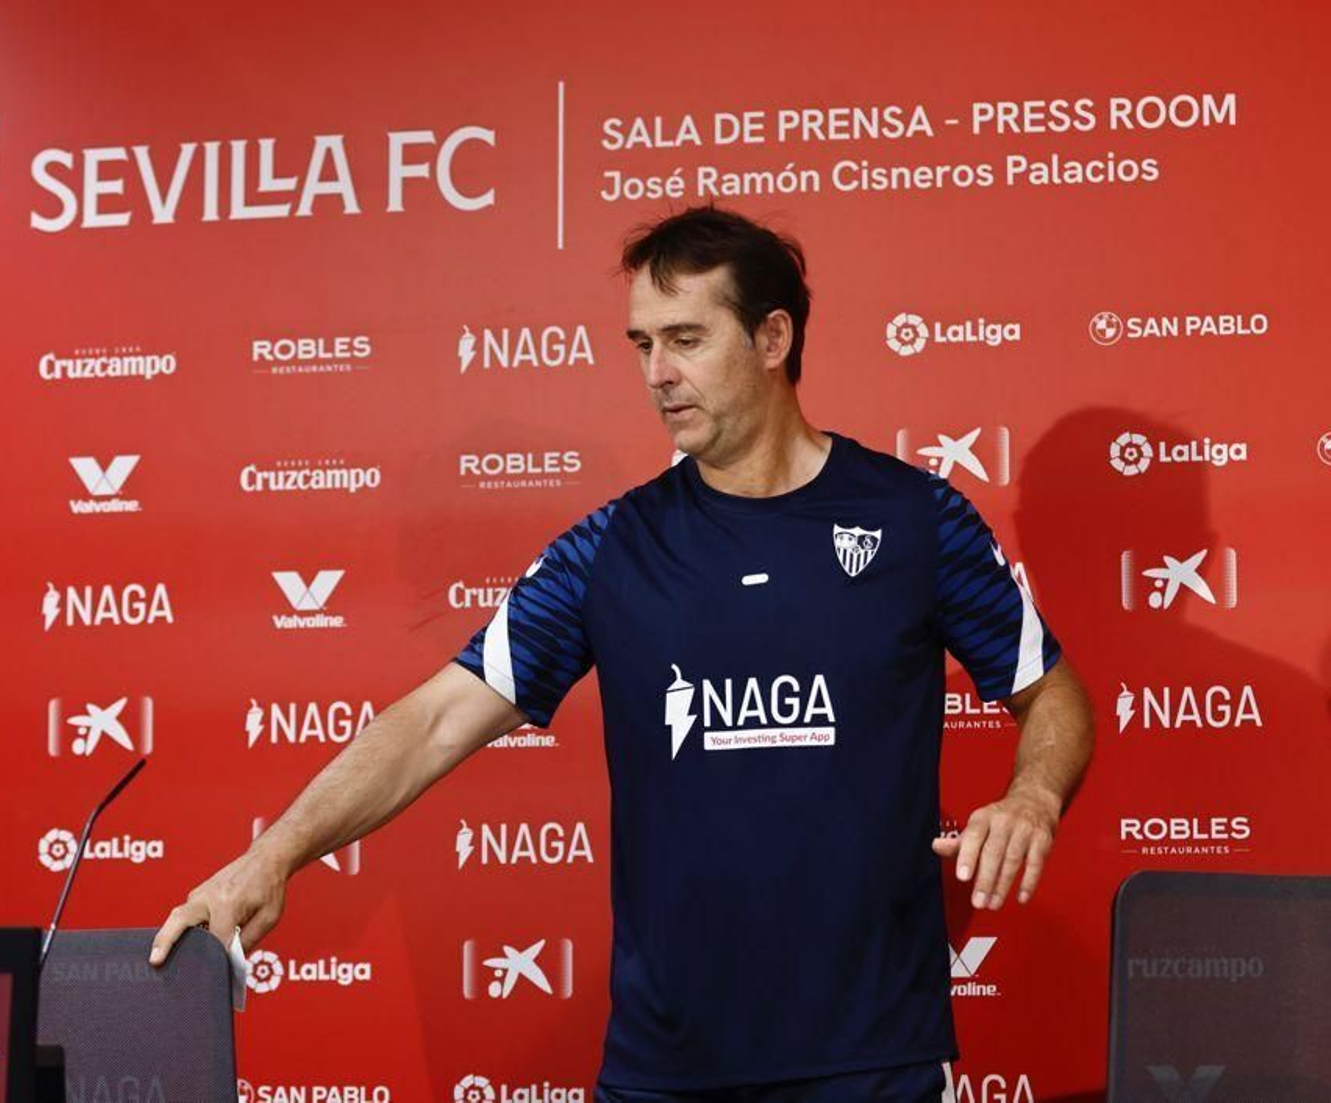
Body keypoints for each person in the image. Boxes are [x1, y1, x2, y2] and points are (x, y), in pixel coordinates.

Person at [150, 205, 1095, 1101]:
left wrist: (1031, 795)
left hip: (872, 1058)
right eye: (643, 344)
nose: (657, 373)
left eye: (686, 339)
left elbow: (1052, 695)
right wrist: (271, 853)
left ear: (773, 340)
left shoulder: (914, 518)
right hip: (668, 1064)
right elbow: (437, 720)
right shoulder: (613, 548)